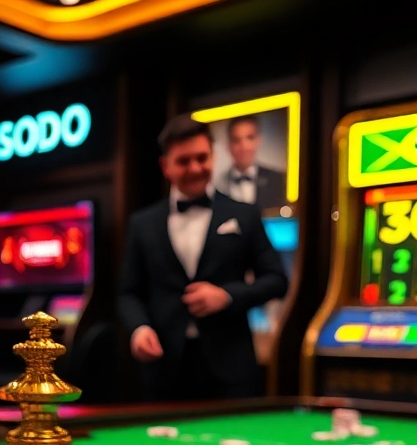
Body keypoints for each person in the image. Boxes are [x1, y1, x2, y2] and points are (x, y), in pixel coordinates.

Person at [117, 115, 288, 401]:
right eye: (184, 161)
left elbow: (276, 280)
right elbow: (128, 292)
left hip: (231, 369)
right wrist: (139, 328)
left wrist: (227, 296)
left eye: (202, 158)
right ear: (165, 166)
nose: (195, 168)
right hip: (164, 370)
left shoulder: (244, 214)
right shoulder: (142, 223)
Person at [215, 115, 288, 212]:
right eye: (236, 140)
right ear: (228, 145)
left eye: (250, 138)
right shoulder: (218, 185)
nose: (244, 147)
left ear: (259, 140)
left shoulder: (279, 180)